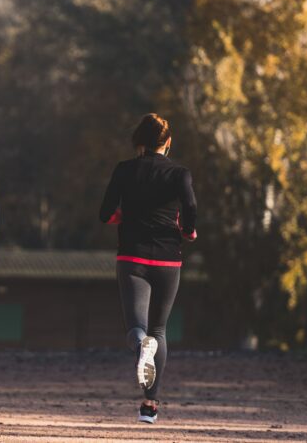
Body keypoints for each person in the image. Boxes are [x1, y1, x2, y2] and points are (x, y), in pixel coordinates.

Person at [98, 113, 198, 425]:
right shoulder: (180, 174)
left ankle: (142, 345)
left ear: (139, 140)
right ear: (168, 142)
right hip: (168, 259)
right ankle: (150, 405)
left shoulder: (125, 170)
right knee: (159, 330)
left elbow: (105, 213)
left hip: (132, 258)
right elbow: (191, 208)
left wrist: (119, 218)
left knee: (136, 329)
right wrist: (188, 230)